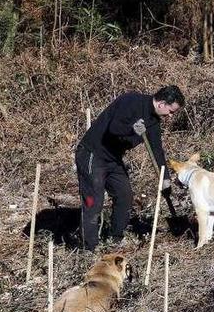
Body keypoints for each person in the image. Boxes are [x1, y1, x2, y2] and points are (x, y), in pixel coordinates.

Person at [75, 85, 184, 250]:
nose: (170, 116)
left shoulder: (154, 121)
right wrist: (132, 129)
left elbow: (157, 150)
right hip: (92, 154)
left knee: (125, 195)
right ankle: (88, 248)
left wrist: (165, 178)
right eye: (171, 111)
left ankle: (115, 239)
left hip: (113, 159)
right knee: (93, 202)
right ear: (161, 103)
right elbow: (114, 128)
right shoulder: (131, 101)